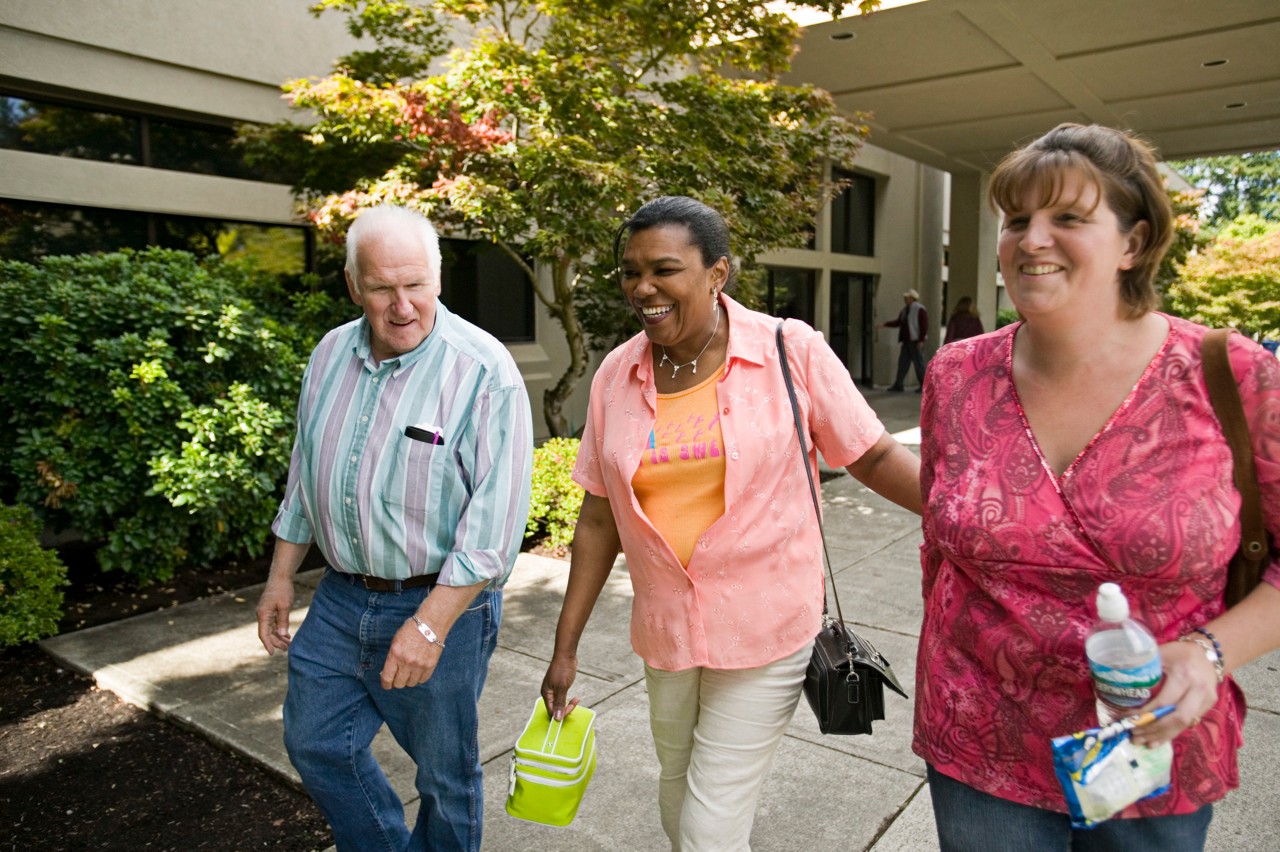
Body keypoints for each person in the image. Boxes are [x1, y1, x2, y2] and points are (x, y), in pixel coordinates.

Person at [916, 123, 1280, 850]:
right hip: (979, 745)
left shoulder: (1231, 376)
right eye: (1017, 219)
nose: (1032, 239)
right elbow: (939, 544)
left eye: (1069, 218)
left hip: (1153, 747)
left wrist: (1213, 652)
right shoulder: (955, 374)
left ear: (1134, 243)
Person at [540, 196, 921, 850]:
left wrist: (971, 513)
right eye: (630, 272)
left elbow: (875, 454)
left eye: (664, 269)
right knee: (677, 787)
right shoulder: (615, 375)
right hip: (666, 630)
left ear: (717, 275)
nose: (643, 288)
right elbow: (599, 516)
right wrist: (565, 646)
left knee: (708, 828)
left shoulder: (787, 349)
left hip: (767, 627)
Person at [255, 204, 533, 851]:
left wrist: (430, 625)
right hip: (341, 594)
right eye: (382, 288)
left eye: (416, 285)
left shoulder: (484, 372)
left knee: (445, 776)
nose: (401, 305)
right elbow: (306, 478)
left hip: (442, 602)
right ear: (355, 286)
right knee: (316, 742)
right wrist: (279, 580)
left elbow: (492, 535)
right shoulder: (328, 355)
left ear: (439, 279)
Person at [884, 289, 928, 391]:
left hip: (915, 340)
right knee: (903, 363)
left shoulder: (919, 309)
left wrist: (921, 340)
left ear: (912, 298)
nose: (905, 299)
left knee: (919, 364)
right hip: (907, 341)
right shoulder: (905, 310)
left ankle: (923, 385)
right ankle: (898, 384)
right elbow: (899, 322)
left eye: (907, 298)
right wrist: (885, 325)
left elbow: (924, 326)